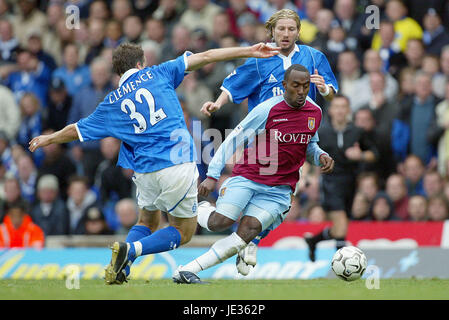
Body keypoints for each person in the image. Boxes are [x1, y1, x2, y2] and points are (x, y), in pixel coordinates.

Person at [28, 41, 281, 285]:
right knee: (183, 231)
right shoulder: (159, 72)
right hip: (176, 163)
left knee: (146, 221)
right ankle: (132, 250)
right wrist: (248, 50)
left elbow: (76, 129)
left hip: (144, 171)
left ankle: (121, 267)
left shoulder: (112, 102)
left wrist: (49, 138)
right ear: (141, 63)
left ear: (117, 71)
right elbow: (206, 56)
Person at [200, 8, 338, 275]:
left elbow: (331, 93)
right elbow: (233, 86)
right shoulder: (259, 58)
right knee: (270, 196)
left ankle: (251, 239)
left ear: (298, 31)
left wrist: (324, 90)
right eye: (281, 29)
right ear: (272, 31)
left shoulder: (314, 57)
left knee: (283, 200)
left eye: (291, 29)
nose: (286, 34)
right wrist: (216, 104)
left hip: (300, 137)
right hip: (265, 141)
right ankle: (248, 239)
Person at [172, 64, 334, 283]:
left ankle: (187, 271)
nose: (301, 91)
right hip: (249, 176)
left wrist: (321, 155)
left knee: (247, 232)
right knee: (219, 222)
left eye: (305, 86)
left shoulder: (315, 111)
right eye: (295, 86)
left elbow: (310, 145)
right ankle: (196, 207)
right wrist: (212, 175)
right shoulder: (267, 109)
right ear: (284, 85)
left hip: (279, 189)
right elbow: (233, 139)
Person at [305, 94, 378, 261]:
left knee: (340, 227)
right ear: (330, 111)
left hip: (351, 181)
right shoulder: (321, 132)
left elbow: (374, 154)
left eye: (343, 107)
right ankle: (341, 265)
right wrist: (309, 177)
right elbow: (308, 155)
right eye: (336, 107)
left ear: (348, 110)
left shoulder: (357, 132)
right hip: (330, 181)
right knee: (341, 221)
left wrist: (361, 155)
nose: (339, 110)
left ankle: (314, 240)